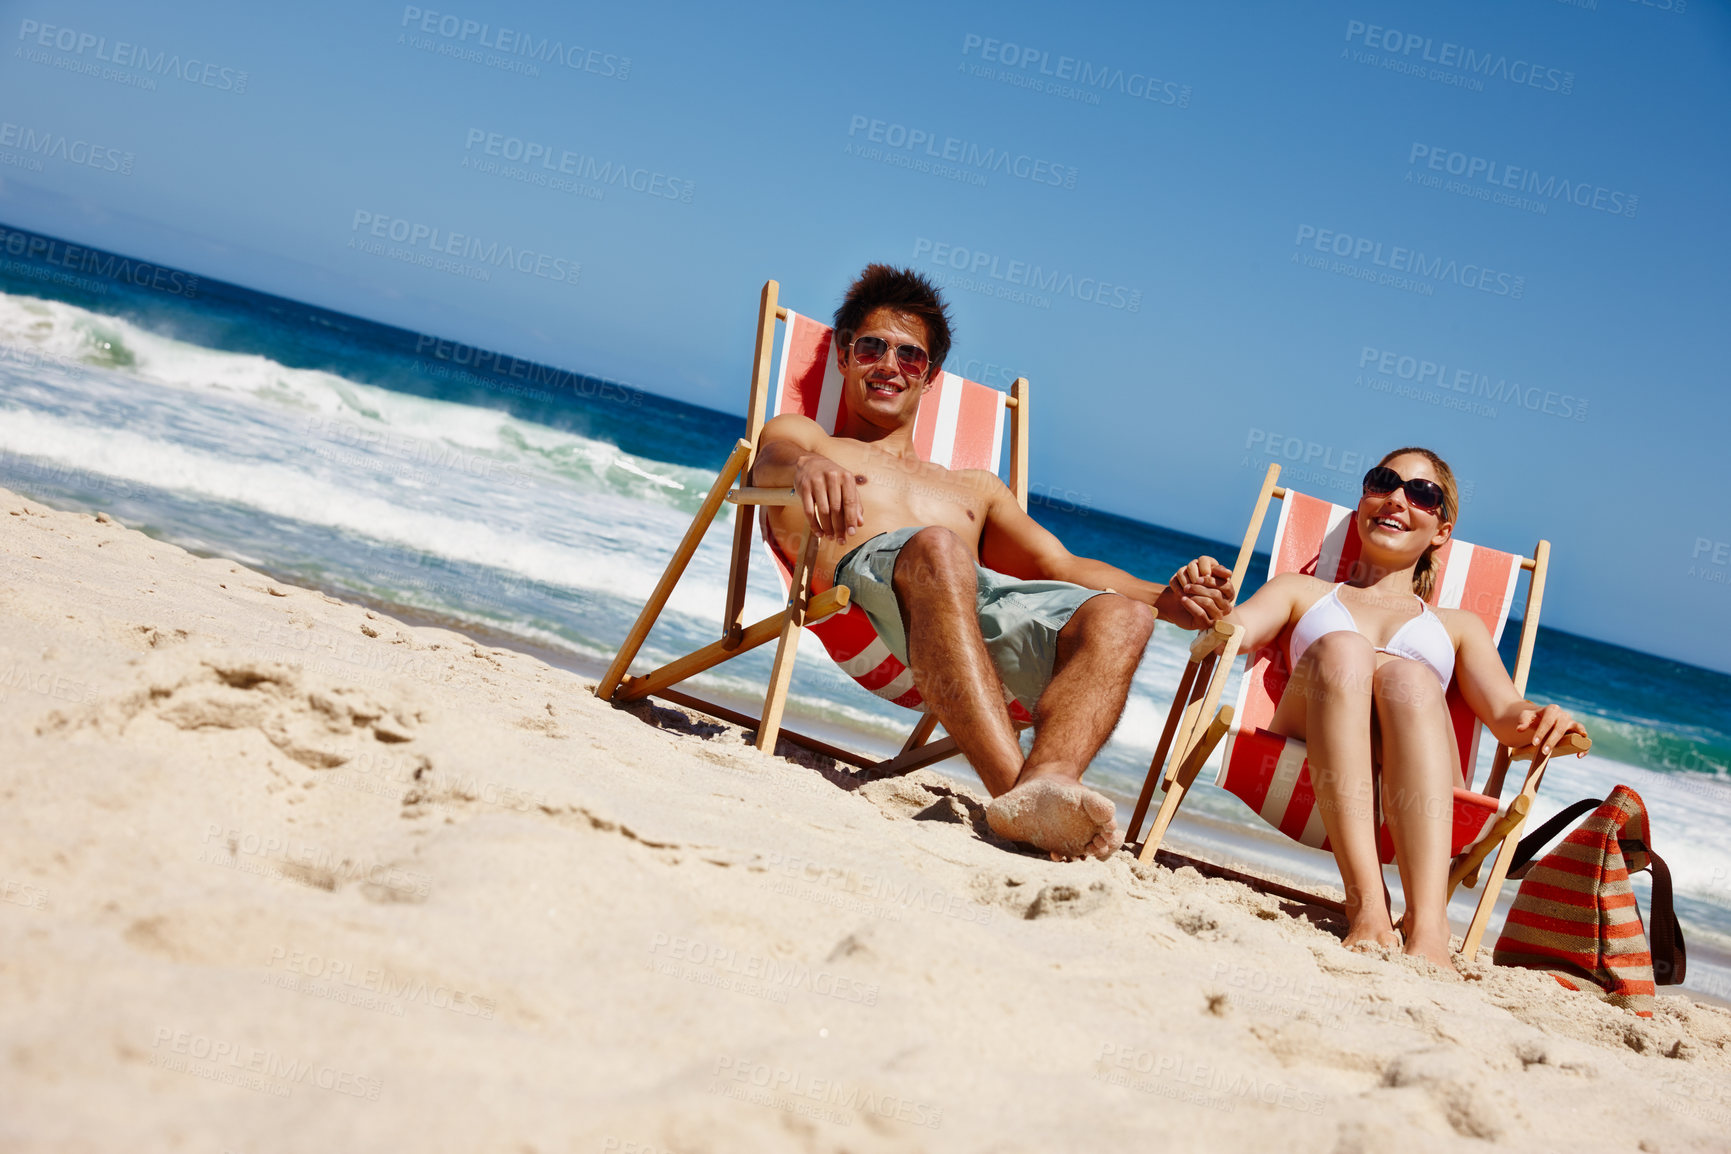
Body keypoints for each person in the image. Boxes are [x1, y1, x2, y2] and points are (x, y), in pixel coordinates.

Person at [751, 264, 1234, 862]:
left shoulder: (974, 488)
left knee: (1121, 617)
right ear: (845, 356)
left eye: (910, 357)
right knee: (938, 546)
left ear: (929, 378)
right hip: (865, 609)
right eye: (872, 346)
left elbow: (1057, 563)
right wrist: (802, 468)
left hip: (970, 620)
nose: (889, 365)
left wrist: (1161, 599)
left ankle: (1049, 782)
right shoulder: (811, 440)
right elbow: (767, 463)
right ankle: (1017, 798)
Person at [1221, 447, 1588, 967]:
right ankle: (1368, 903)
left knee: (1411, 676)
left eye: (1421, 493)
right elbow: (1233, 632)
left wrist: (1543, 717)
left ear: (1441, 530)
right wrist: (1207, 605)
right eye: (1383, 482)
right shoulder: (1302, 591)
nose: (1397, 498)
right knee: (1346, 648)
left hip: (1422, 786)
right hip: (1305, 752)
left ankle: (1429, 923)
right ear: (1363, 501)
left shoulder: (1459, 626)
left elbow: (1508, 716)